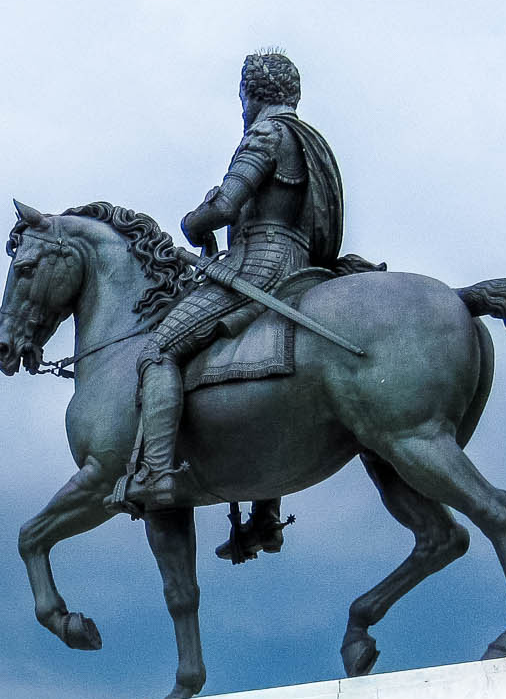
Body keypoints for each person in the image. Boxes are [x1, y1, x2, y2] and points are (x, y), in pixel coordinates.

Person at [115, 48, 344, 547]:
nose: (241, 106)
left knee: (158, 350)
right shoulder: (311, 142)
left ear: (251, 94)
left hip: (260, 262)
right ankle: (264, 516)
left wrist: (193, 222)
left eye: (242, 96)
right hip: (303, 263)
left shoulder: (265, 134)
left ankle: (156, 472)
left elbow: (225, 206)